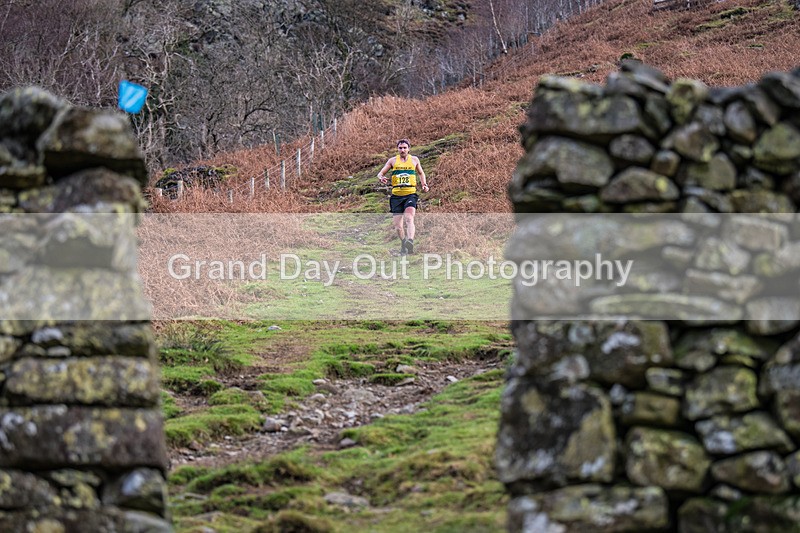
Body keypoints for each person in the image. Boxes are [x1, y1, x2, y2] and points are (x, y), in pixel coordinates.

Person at [377, 139, 429, 255]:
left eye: (405, 148)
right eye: (400, 148)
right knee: (398, 227)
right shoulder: (392, 161)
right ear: (397, 149)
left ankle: (410, 241)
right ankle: (404, 242)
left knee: (409, 218)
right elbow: (380, 173)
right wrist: (381, 178)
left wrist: (424, 184)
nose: (402, 150)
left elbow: (421, 173)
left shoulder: (414, 160)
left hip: (410, 193)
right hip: (396, 196)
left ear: (409, 149)